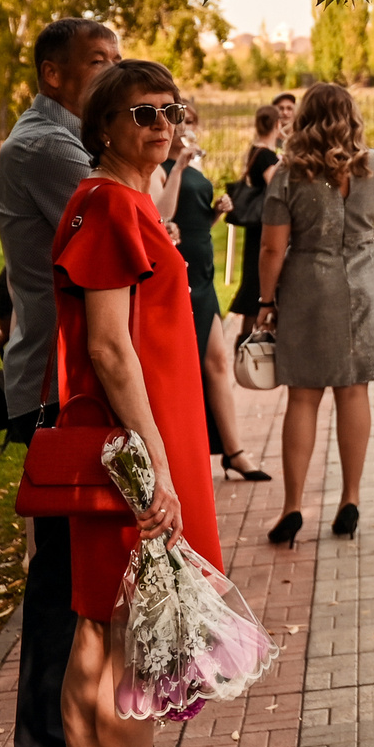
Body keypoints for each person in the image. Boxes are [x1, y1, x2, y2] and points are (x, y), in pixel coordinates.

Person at [46, 61, 220, 747]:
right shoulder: (111, 204)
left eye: (171, 111)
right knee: (129, 660)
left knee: (95, 640)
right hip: (134, 455)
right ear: (105, 127)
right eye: (144, 113)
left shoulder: (114, 200)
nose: (163, 125)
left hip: (123, 446)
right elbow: (110, 349)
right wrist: (159, 468)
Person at [0, 15, 119, 747]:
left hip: (63, 380)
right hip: (57, 389)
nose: (113, 75)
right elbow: (131, 228)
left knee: (73, 574)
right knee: (61, 582)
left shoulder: (59, 142)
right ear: (53, 73)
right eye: (99, 63)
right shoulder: (51, 148)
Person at [256, 82, 374, 544]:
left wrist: (265, 302)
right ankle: (350, 499)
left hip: (308, 285)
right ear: (352, 116)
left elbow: (272, 247)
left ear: (304, 119)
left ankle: (293, 506)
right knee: (354, 390)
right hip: (363, 283)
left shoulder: (289, 173)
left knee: (303, 397)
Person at [155, 102, 269, 480]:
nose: (182, 127)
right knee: (190, 366)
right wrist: (179, 167)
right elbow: (162, 217)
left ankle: (233, 451)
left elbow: (195, 220)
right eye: (178, 120)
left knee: (218, 360)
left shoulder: (192, 164)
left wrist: (218, 211)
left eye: (188, 120)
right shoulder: (158, 166)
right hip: (179, 274)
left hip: (203, 273)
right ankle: (192, 453)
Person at [226, 103, 283, 333]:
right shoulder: (266, 155)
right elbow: (275, 185)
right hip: (262, 224)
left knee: (252, 278)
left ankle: (245, 338)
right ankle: (248, 338)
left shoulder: (254, 150)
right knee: (255, 281)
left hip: (255, 225)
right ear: (277, 124)